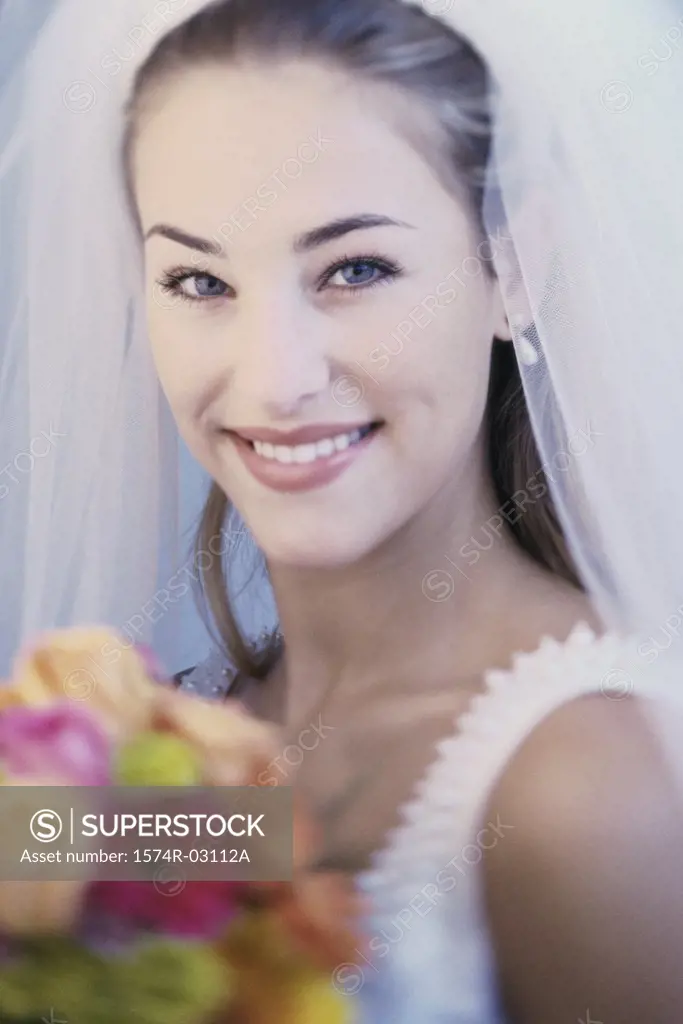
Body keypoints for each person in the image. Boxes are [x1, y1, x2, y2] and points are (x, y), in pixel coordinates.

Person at [3, 0, 683, 1021]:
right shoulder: (171, 741)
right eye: (198, 278)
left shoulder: (579, 790)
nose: (274, 379)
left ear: (512, 268)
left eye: (355, 269)